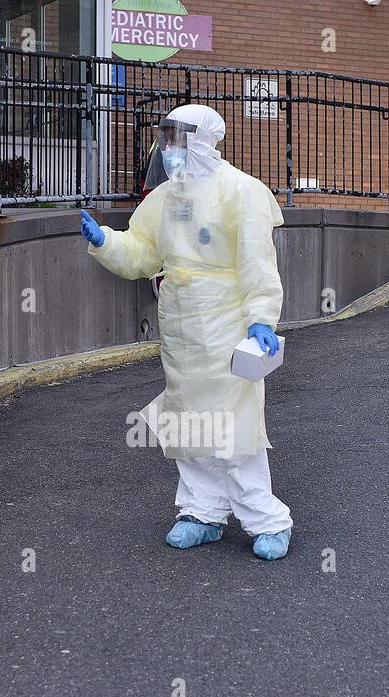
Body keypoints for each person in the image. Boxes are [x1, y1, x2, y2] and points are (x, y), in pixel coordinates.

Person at [80, 104, 293, 560]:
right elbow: (141, 253)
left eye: (177, 137)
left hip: (227, 322)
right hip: (180, 325)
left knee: (235, 427)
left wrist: (260, 319)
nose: (169, 148)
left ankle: (266, 519)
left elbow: (257, 262)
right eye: (166, 136)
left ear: (202, 139)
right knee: (188, 422)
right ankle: (201, 511)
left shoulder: (241, 192)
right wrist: (106, 242)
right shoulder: (164, 199)